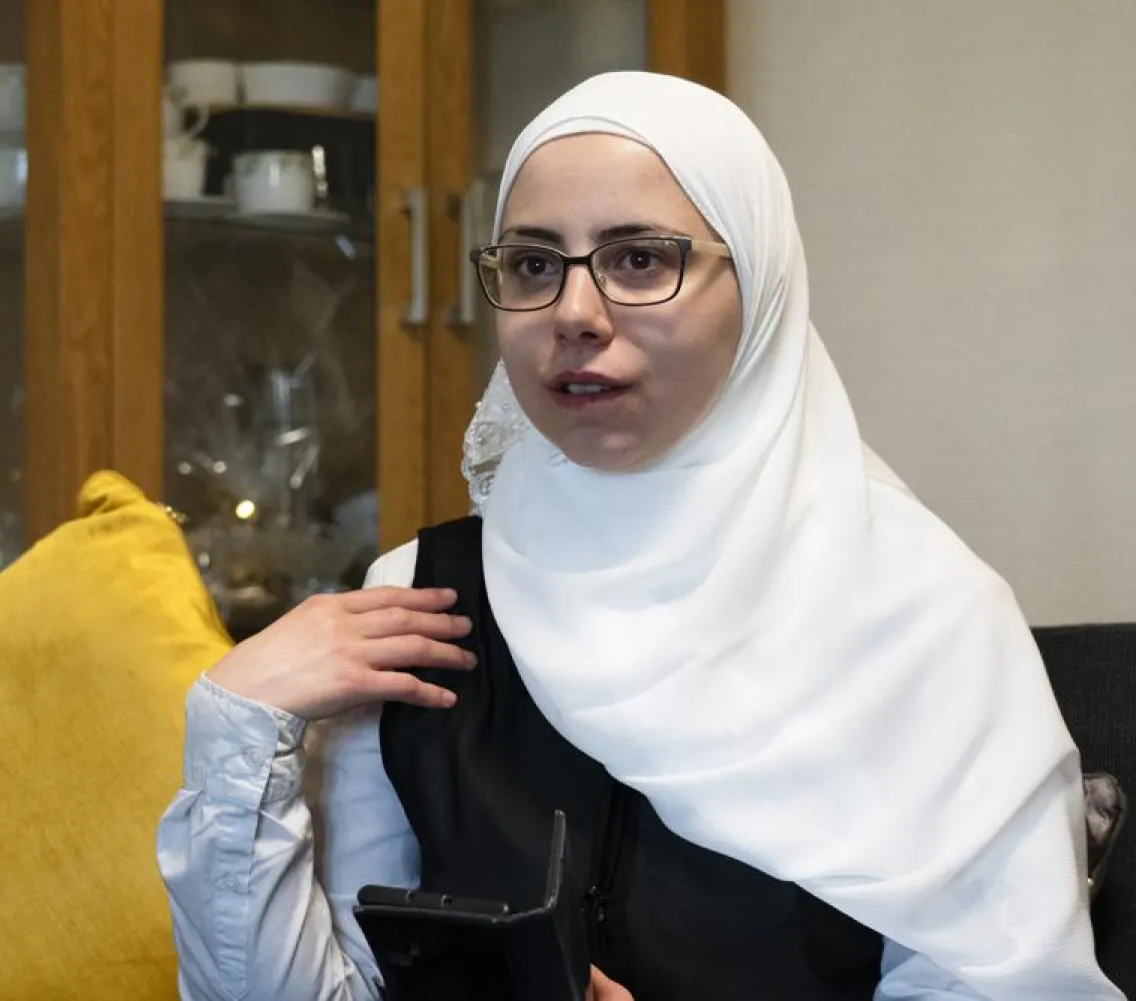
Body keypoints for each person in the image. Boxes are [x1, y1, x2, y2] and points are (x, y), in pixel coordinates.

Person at [157, 72, 1122, 1000]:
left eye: (639, 259)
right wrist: (236, 724)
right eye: (534, 264)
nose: (575, 314)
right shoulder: (424, 602)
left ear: (761, 291)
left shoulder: (925, 618)